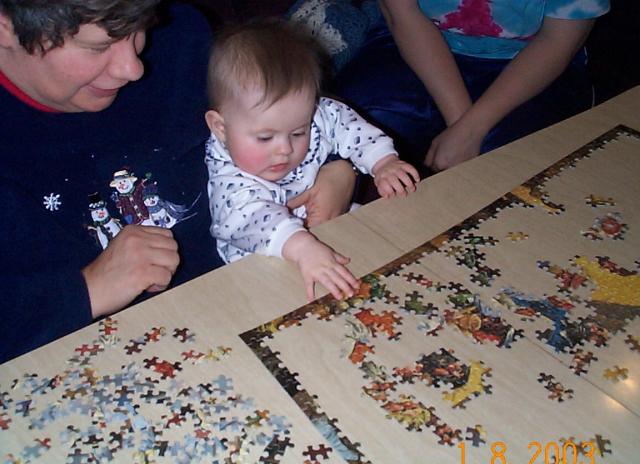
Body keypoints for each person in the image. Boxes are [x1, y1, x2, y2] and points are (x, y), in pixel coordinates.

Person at [0, 0, 356, 363]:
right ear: (6, 27)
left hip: (267, 292)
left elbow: (280, 110)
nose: (133, 68)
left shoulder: (179, 36)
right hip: (116, 358)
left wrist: (335, 168)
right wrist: (87, 290)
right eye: (98, 47)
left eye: (137, 30)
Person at [204, 19, 419, 301]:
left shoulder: (311, 116)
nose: (285, 149)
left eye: (298, 132)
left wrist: (382, 162)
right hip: (262, 262)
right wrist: (303, 247)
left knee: (394, 246)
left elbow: (347, 126)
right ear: (220, 128)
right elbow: (248, 218)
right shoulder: (227, 175)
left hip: (328, 228)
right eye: (265, 138)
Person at [331, 0, 611, 173]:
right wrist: (461, 124)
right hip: (416, 42)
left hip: (530, 62)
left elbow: (558, 41)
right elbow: (402, 14)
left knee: (514, 159)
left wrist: (472, 128)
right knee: (349, 126)